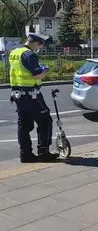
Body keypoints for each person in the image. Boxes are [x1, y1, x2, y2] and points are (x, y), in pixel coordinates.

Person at [9, 33, 59, 163]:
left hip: (18, 95)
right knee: (45, 121)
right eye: (40, 44)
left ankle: (25, 155)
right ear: (35, 42)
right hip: (32, 95)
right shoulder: (29, 55)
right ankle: (44, 153)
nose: (41, 47)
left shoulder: (15, 52)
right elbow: (37, 75)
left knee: (24, 125)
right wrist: (46, 70)